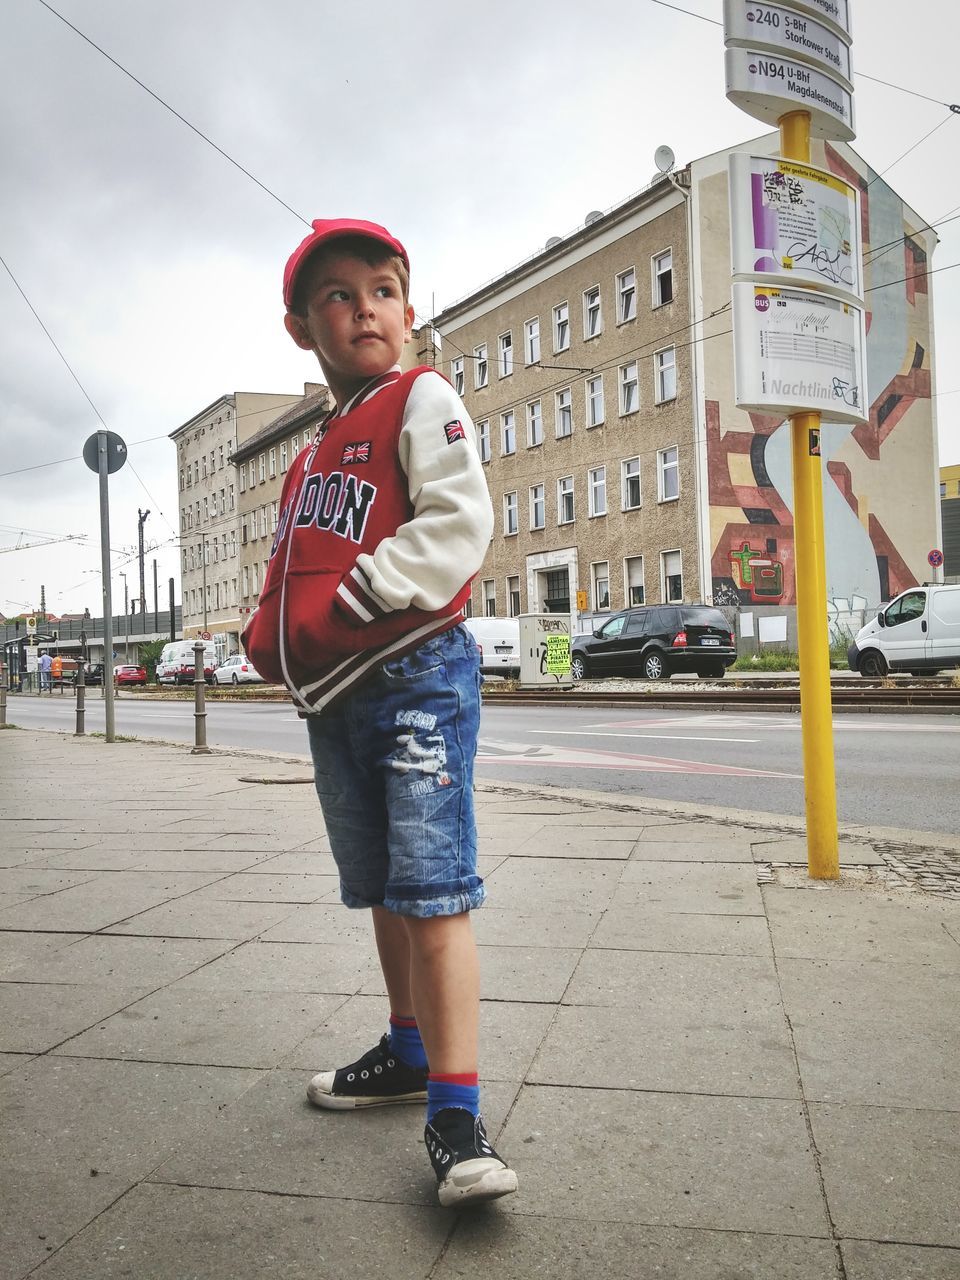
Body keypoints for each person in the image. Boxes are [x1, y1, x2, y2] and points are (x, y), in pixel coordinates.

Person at [242, 218, 516, 1208]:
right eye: (340, 294)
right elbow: (286, 563)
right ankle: (406, 1050)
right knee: (385, 887)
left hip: (410, 674)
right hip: (337, 694)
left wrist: (362, 593)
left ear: (408, 308)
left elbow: (459, 518)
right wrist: (264, 630)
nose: (366, 307)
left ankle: (456, 1113)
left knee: (434, 888)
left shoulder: (421, 395)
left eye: (384, 289)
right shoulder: (311, 455)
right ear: (300, 325)